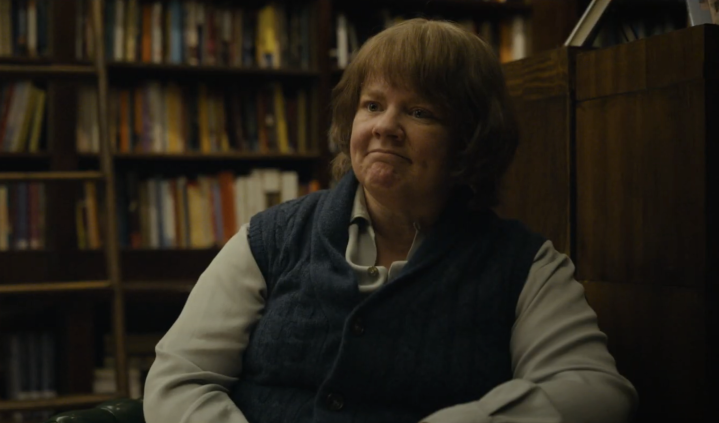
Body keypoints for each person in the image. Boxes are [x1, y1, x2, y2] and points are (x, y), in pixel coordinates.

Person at [143, 18, 637, 423]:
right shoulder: (269, 238)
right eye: (372, 105)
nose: (385, 126)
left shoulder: (525, 265)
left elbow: (596, 391)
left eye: (419, 112)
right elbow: (180, 378)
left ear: (469, 140)